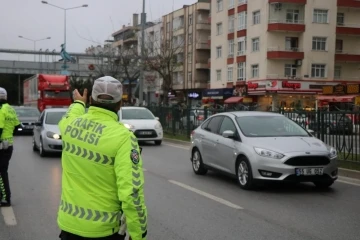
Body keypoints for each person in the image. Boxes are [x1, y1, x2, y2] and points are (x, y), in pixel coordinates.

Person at [57, 76, 147, 240]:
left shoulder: (69, 126)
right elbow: (131, 194)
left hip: (68, 226)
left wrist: (78, 103)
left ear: (91, 99)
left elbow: (69, 116)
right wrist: (139, 235)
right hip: (104, 232)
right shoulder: (124, 138)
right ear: (120, 105)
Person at [0, 87, 21, 207]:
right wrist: (10, 137)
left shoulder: (1, 109)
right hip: (8, 146)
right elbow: (18, 126)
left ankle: (6, 198)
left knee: (1, 172)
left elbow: (0, 128)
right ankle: (4, 196)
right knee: (3, 171)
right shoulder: (11, 109)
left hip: (1, 146)